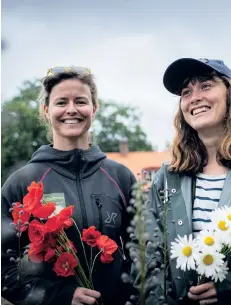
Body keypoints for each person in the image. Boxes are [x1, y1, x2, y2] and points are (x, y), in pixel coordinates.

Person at [1, 67, 136, 305]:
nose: (71, 109)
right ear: (46, 111)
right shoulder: (22, 183)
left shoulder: (121, 177)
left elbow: (142, 255)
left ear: (94, 108)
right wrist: (60, 296)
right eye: (61, 102)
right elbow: (4, 269)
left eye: (80, 101)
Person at [144, 58, 231, 305]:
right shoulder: (168, 176)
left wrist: (228, 286)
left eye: (206, 86)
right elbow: (149, 254)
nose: (194, 97)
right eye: (186, 92)